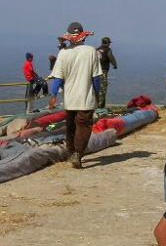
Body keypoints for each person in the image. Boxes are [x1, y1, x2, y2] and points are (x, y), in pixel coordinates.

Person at [49, 22, 102, 169]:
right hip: (86, 98)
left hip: (69, 99)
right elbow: (96, 78)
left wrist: (53, 95)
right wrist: (97, 94)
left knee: (70, 126)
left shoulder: (63, 53)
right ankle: (77, 154)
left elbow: (58, 78)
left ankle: (70, 152)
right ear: (83, 36)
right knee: (84, 127)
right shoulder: (91, 51)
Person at [95, 36, 118, 109]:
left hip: (95, 72)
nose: (110, 44)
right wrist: (115, 65)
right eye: (109, 43)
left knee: (96, 88)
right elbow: (110, 57)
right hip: (103, 72)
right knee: (103, 89)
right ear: (107, 43)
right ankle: (100, 107)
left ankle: (96, 104)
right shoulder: (108, 50)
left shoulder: (96, 49)